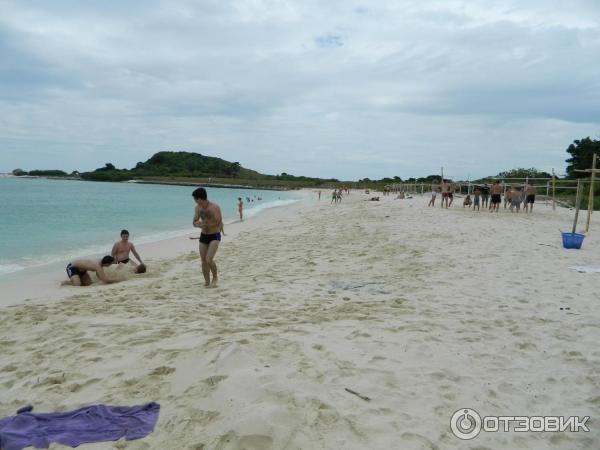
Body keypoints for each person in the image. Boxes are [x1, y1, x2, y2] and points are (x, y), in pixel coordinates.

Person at [192, 187, 223, 287]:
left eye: (195, 199)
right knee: (203, 261)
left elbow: (219, 222)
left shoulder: (215, 207)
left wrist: (208, 225)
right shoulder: (198, 208)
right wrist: (198, 224)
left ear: (199, 199)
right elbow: (194, 222)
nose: (195, 201)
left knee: (209, 259)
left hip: (214, 235)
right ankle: (207, 281)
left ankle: (215, 277)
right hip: (203, 236)